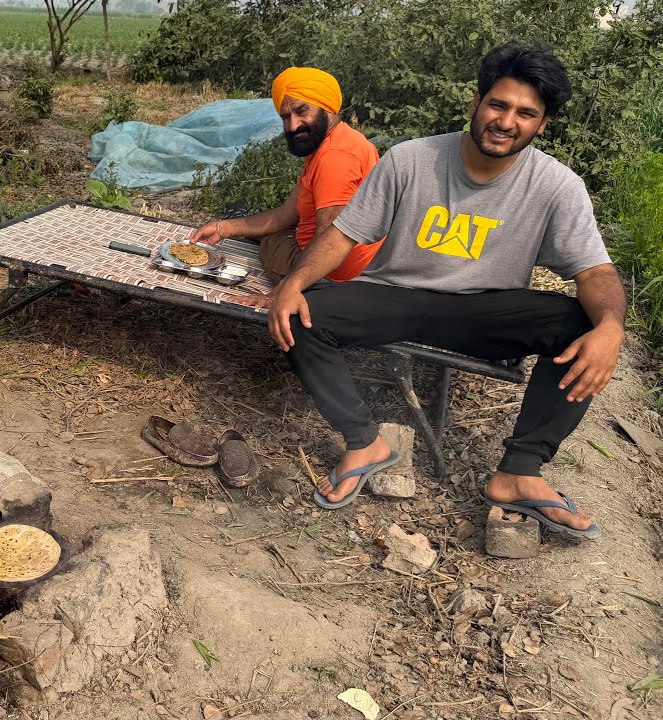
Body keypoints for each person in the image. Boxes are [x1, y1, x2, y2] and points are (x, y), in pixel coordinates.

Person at [266, 44, 624, 538]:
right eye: (498, 105)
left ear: (541, 125)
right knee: (300, 312)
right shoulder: (411, 159)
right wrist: (293, 282)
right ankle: (364, 442)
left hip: (486, 312)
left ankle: (520, 472)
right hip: (398, 296)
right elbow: (344, 233)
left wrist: (611, 328)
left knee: (585, 325)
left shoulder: (557, 186)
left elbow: (595, 272)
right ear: (476, 103)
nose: (506, 122)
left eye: (525, 114)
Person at [190, 66, 383, 305]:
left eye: (302, 111)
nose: (292, 126)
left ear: (326, 106)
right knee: (274, 227)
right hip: (363, 264)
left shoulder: (334, 158)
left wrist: (280, 294)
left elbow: (330, 241)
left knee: (272, 242)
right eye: (285, 117)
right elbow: (288, 213)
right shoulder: (349, 140)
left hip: (332, 276)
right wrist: (223, 228)